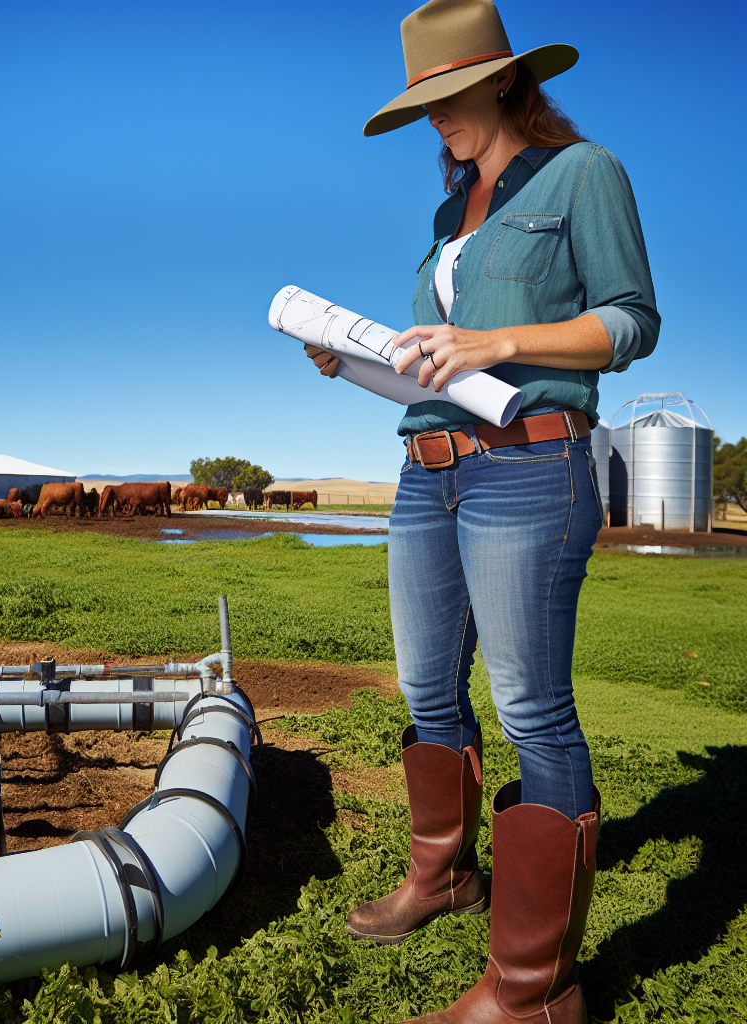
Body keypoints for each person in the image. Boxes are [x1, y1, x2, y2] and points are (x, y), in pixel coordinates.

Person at [304, 2, 659, 1021]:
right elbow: (442, 367)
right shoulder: (447, 213)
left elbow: (630, 321)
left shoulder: (583, 174)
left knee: (529, 707)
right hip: (427, 468)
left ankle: (532, 991)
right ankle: (445, 876)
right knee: (425, 688)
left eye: (444, 99)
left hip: (528, 469)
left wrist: (503, 342)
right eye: (421, 106)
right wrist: (359, 364)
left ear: (503, 80)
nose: (433, 122)